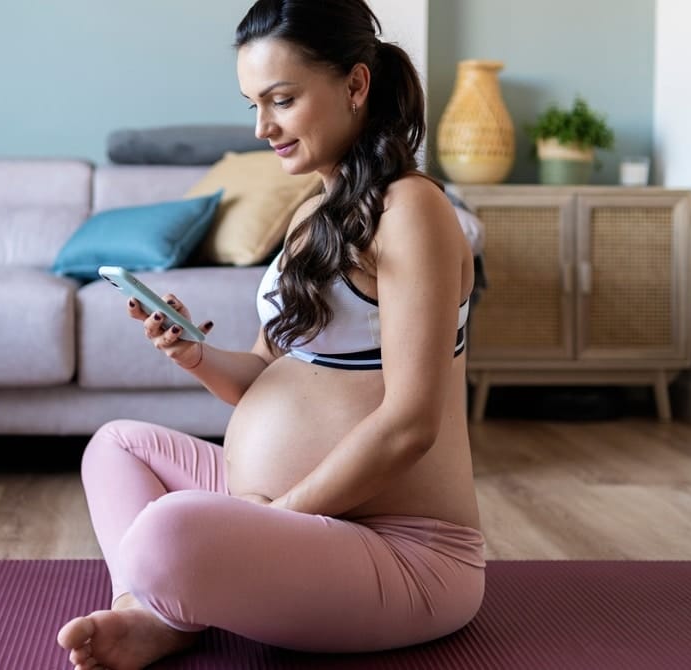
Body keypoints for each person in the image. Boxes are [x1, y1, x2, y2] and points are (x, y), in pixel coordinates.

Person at [56, 1, 482, 667]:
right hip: (292, 518)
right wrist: (194, 352)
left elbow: (410, 423)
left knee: (167, 532)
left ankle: (168, 600)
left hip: (401, 550)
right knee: (115, 447)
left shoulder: (412, 210)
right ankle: (153, 610)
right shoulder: (314, 211)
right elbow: (263, 376)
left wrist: (272, 516)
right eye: (253, 103)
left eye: (281, 100)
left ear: (355, 84)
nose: (262, 127)